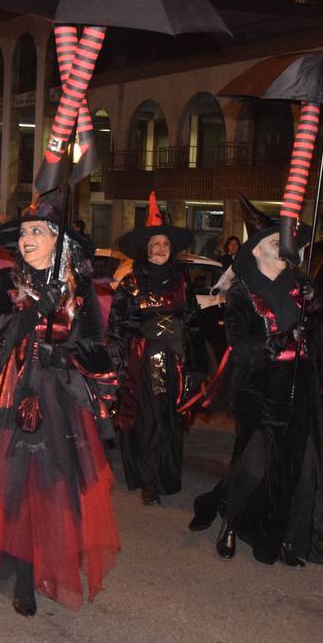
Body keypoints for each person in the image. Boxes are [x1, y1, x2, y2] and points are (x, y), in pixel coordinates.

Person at [0, 196, 120, 616]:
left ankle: (39, 564)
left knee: (50, 486)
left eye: (38, 231)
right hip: (10, 397)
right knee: (12, 484)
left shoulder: (79, 288)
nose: (27, 238)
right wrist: (34, 310)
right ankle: (21, 576)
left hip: (58, 398)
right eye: (23, 232)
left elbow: (94, 346)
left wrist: (66, 353)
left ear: (58, 241)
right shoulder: (5, 284)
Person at [188, 198, 323, 569]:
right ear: (256, 249)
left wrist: (319, 306)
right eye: (274, 241)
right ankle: (230, 523)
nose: (282, 246)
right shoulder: (243, 293)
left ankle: (289, 537)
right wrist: (274, 342)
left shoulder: (301, 286)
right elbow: (239, 344)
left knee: (299, 470)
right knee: (255, 465)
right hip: (260, 389)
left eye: (285, 241)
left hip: (300, 386)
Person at [108, 194, 206, 505]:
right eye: (155, 246)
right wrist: (119, 363)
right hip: (142, 362)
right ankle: (148, 479)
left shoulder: (182, 283)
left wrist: (196, 365)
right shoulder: (131, 283)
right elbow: (116, 326)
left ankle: (166, 475)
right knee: (146, 420)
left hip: (174, 362)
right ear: (147, 251)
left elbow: (192, 323)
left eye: (164, 244)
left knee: (169, 419)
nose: (161, 249)